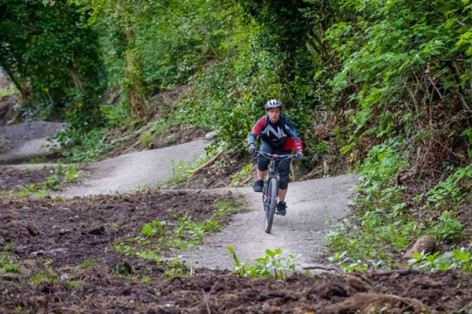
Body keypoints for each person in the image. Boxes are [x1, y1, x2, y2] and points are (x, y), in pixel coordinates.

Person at [247, 99, 303, 216]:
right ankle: (260, 181)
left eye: (277, 111)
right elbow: (252, 134)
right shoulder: (263, 121)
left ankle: (281, 203)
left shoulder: (285, 122)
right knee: (262, 157)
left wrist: (299, 150)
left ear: (280, 112)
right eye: (271, 111)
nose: (274, 114)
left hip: (284, 148)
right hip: (268, 144)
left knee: (283, 177)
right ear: (267, 112)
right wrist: (251, 145)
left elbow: (295, 137)